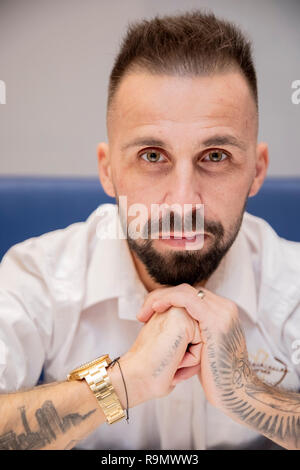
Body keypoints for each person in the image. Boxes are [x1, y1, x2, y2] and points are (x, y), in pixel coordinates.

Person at [0, 9, 299, 451]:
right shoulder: (37, 277)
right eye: (152, 156)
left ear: (256, 171)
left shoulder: (292, 284)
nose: (182, 201)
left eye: (215, 156)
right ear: (107, 170)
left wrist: (250, 394)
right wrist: (121, 384)